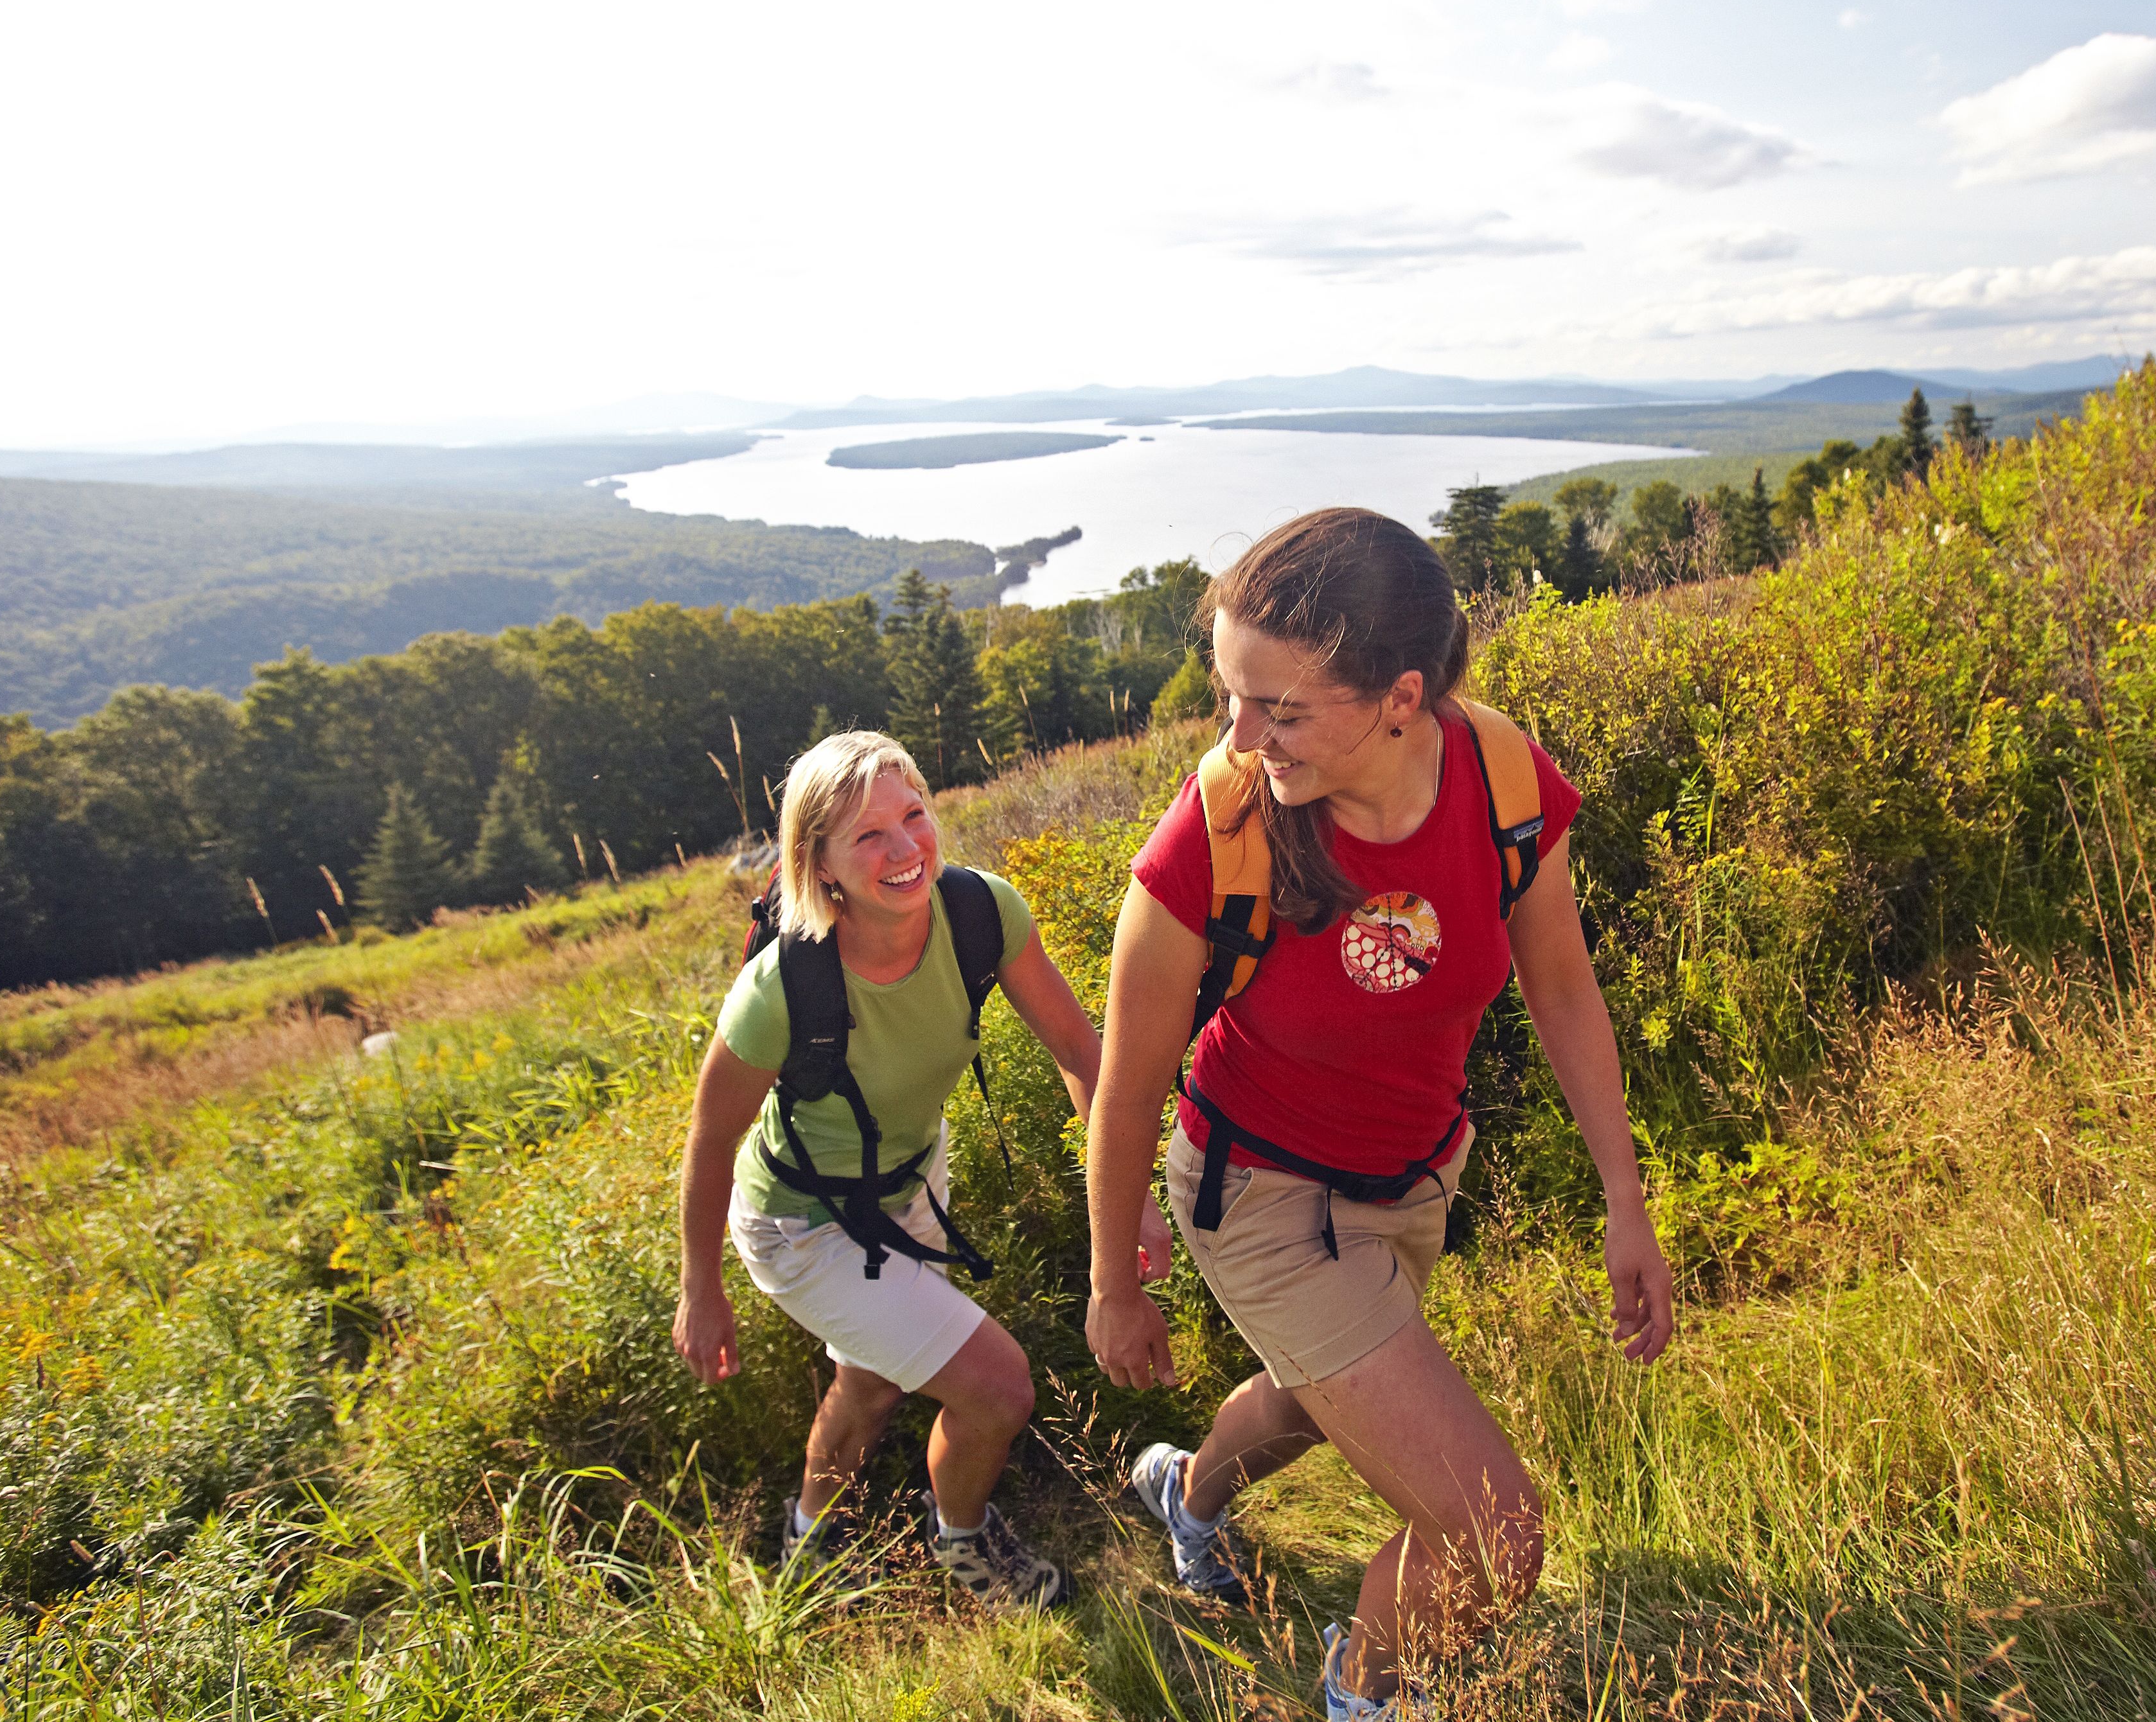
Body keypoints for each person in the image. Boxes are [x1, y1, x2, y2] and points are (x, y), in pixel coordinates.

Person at [1081, 509, 1675, 1718]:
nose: (1239, 737)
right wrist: (1112, 1277)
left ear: (1403, 696)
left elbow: (1564, 987)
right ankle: (1367, 1689)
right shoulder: (1223, 827)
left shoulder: (1501, 781)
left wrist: (1626, 1198)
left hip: (1410, 1179)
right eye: (1229, 694)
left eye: (1281, 710)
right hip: (1255, 1190)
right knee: (1492, 1532)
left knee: (1309, 1396)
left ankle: (1186, 1497)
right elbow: (1129, 1078)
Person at [673, 730, 1170, 1609]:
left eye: (915, 816)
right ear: (818, 861)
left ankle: (809, 1537)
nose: (906, 850)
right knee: (997, 1388)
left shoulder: (982, 913)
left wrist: (1124, 1197)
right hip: (800, 1222)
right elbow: (713, 1137)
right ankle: (965, 1543)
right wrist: (700, 1286)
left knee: (869, 1380)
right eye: (868, 836)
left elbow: (1077, 1050)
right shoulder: (783, 985)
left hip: (910, 1180)